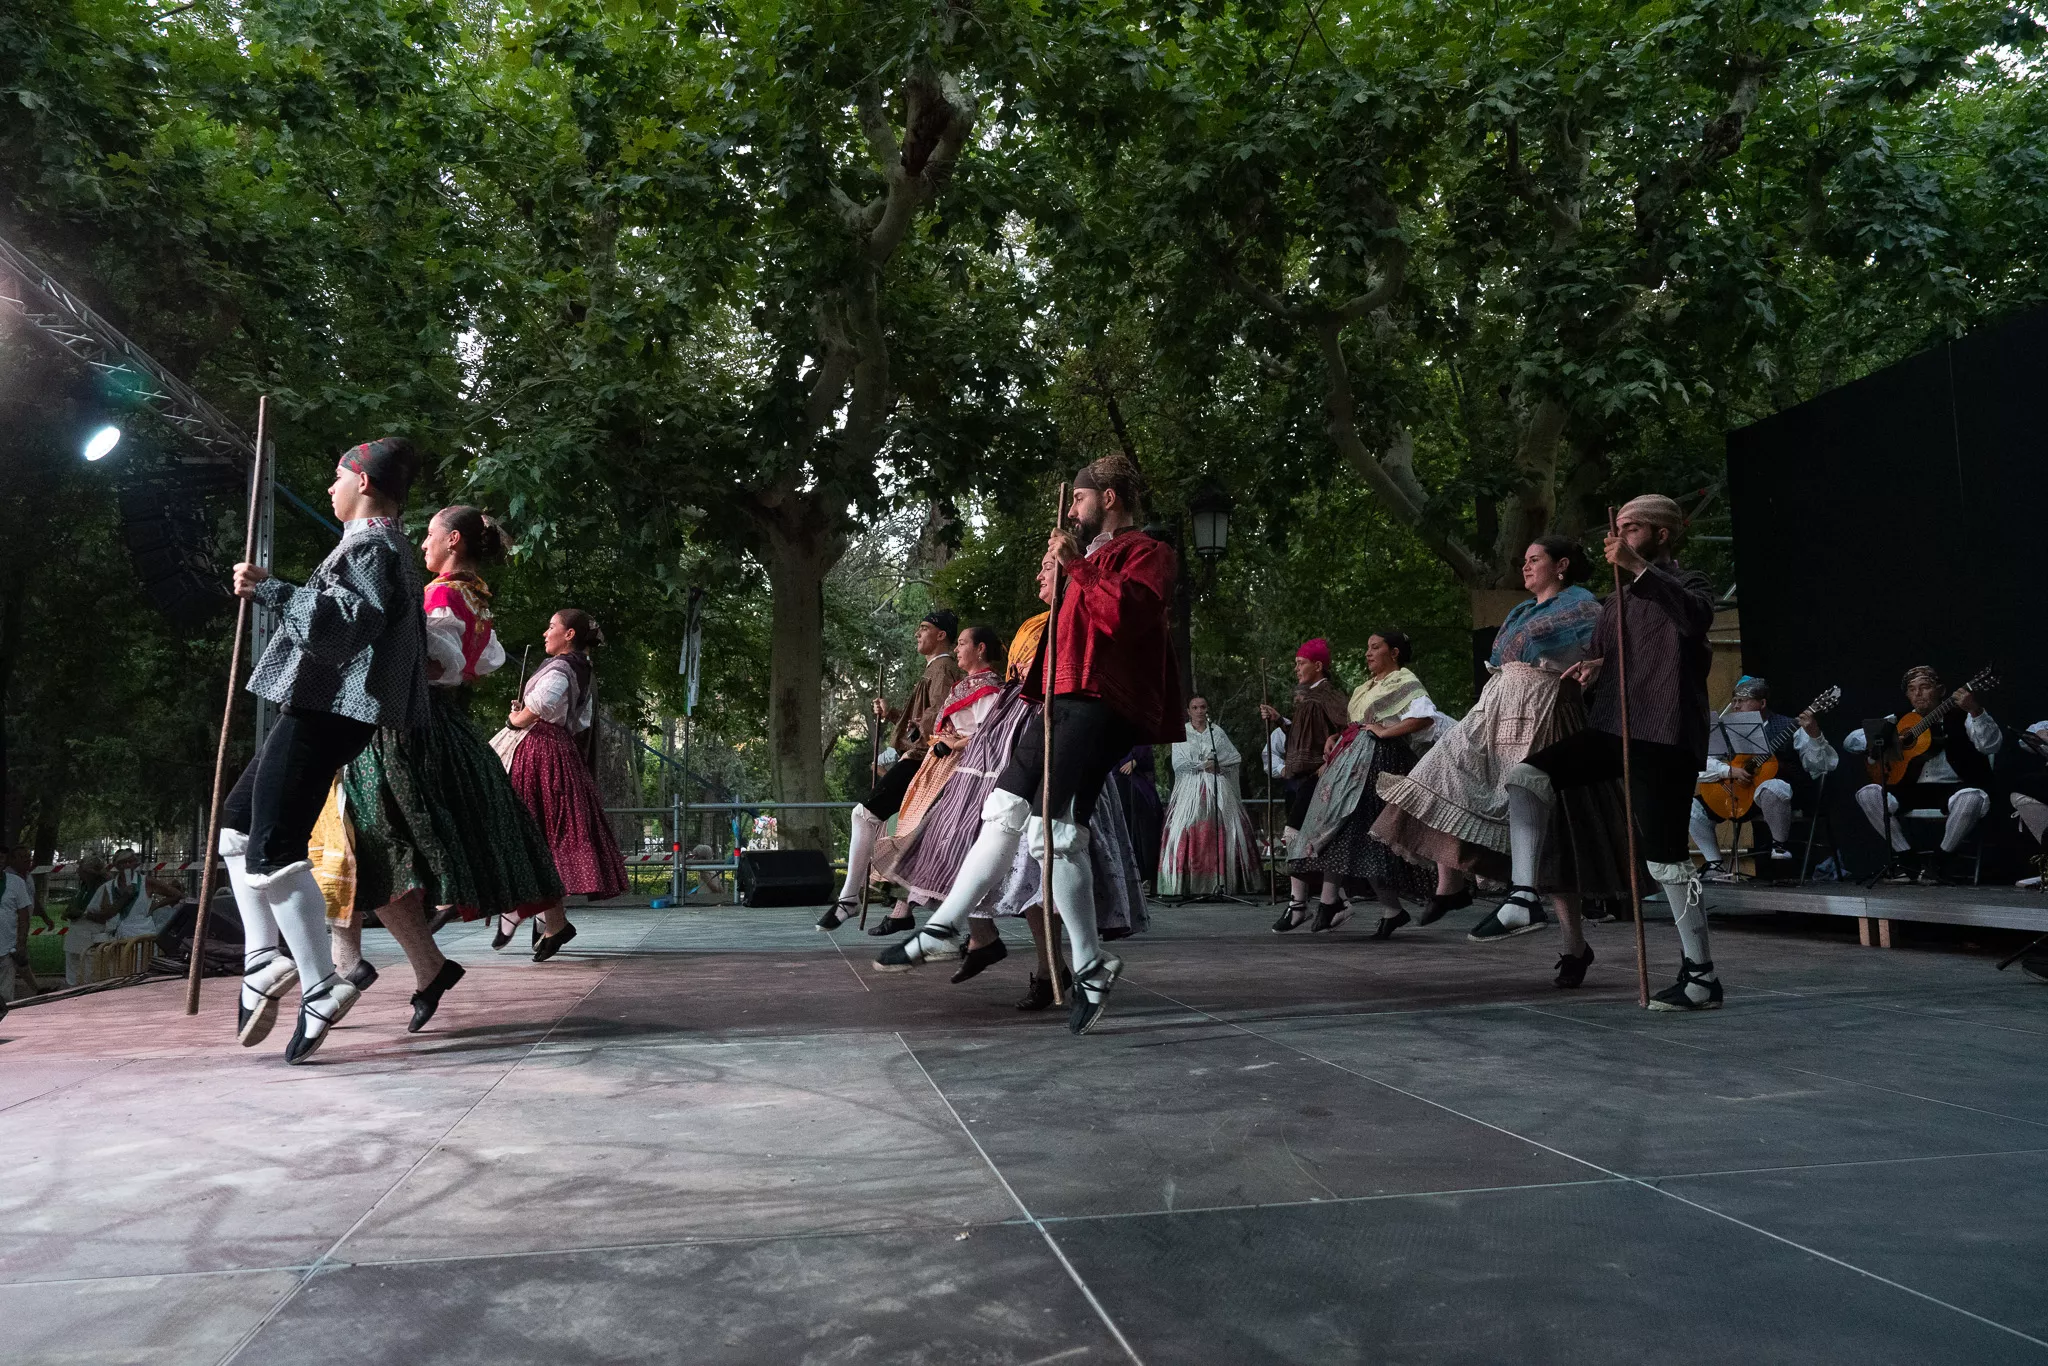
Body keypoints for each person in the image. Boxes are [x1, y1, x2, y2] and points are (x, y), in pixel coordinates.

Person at [873, 454, 1181, 1035]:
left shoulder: (1148, 553)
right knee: (1005, 810)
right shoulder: (1087, 558)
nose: (1072, 509)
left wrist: (1076, 568)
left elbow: (1126, 616)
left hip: (1096, 707)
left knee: (1054, 833)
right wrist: (1067, 570)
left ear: (1109, 498)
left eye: (1081, 500)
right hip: (1056, 704)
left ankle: (1086, 963)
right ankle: (949, 929)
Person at [217, 437, 431, 1063]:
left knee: (274, 847)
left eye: (337, 477)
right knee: (237, 826)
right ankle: (263, 962)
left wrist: (271, 590)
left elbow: (346, 626)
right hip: (325, 708)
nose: (329, 489)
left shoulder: (371, 545)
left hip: (329, 710)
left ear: (364, 483)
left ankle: (321, 985)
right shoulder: (378, 545)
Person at [338, 505, 563, 1030]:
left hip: (406, 727)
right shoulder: (475, 596)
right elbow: (480, 665)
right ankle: (368, 966)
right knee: (366, 842)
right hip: (445, 729)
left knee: (371, 843)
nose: (422, 545)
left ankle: (356, 968)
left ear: (453, 540)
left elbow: (439, 663)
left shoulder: (440, 593)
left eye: (431, 536)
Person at [1499, 495, 1720, 1009]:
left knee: (1667, 860)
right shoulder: (1614, 600)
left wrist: (1638, 568)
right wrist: (1593, 669)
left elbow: (1694, 619)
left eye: (1631, 529)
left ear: (1661, 535)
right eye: (1615, 530)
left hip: (1664, 734)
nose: (1617, 539)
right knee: (1526, 776)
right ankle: (1523, 895)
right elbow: (1604, 655)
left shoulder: (1687, 584)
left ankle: (1702, 976)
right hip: (1614, 728)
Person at [1373, 536, 1624, 947]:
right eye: (1524, 560)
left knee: (1555, 832)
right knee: (1438, 776)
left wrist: (1595, 667)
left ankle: (1573, 944)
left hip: (1547, 708)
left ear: (1561, 565)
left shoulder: (1584, 608)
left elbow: (1609, 658)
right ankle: (1450, 884)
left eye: (1534, 560)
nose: (1525, 567)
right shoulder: (1522, 611)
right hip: (1495, 708)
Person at [816, 610, 965, 932]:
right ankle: (901, 910)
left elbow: (939, 715)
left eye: (924, 628)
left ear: (941, 635)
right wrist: (894, 714)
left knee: (864, 815)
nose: (917, 634)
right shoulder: (938, 669)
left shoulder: (942, 669)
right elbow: (927, 718)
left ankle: (850, 899)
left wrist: (912, 735)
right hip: (924, 755)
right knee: (914, 835)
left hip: (926, 759)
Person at [1291, 631, 1437, 932]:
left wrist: (1385, 732)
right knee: (1354, 830)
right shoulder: (1365, 687)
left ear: (1394, 652)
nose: (1368, 653)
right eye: (1367, 648)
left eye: (1375, 648)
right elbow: (1355, 725)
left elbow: (1424, 717)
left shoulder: (1404, 681)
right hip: (1352, 760)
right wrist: (1335, 737)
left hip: (1380, 761)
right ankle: (1388, 909)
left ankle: (1333, 901)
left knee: (1358, 826)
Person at [866, 626, 1007, 932]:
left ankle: (965, 930)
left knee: (943, 840)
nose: (958, 650)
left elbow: (987, 733)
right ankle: (922, 917)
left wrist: (953, 743)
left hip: (967, 772)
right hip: (942, 765)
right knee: (923, 836)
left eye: (962, 644)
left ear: (980, 649)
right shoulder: (967, 683)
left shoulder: (986, 685)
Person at [502, 608, 626, 959]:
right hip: (553, 753)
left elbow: (540, 707)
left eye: (552, 626)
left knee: (535, 835)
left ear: (570, 634)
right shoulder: (577, 668)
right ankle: (550, 920)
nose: (546, 632)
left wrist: (516, 719)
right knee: (541, 836)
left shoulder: (563, 667)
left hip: (542, 754)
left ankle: (549, 920)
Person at [1843, 667, 2001, 884]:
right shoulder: (1899, 720)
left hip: (1953, 786)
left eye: (1924, 687)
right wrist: (1889, 739)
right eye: (1911, 689)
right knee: (1868, 793)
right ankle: (1907, 858)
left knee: (1972, 798)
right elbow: (1850, 742)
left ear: (1940, 690)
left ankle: (1940, 860)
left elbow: (1991, 744)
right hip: (1911, 788)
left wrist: (1975, 710)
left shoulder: (1961, 715)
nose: (1917, 694)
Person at [1688, 676, 1839, 881]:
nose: (1736, 706)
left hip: (1780, 798)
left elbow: (1821, 767)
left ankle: (1780, 847)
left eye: (1742, 700)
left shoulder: (1786, 726)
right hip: (1737, 796)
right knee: (1690, 806)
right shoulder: (1726, 730)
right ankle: (1715, 864)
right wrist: (1731, 772)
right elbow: (1700, 767)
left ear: (1762, 703)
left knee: (1773, 786)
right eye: (1734, 701)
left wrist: (1814, 734)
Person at [1259, 640, 1350, 932]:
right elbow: (1303, 736)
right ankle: (1316, 902)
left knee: (1302, 836)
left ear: (1318, 666)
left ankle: (1314, 903)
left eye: (1301, 663)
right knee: (1302, 838)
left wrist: (1330, 760)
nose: (1296, 668)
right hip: (1302, 777)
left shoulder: (1329, 695)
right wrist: (1281, 722)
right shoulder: (1306, 697)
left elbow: (1347, 730)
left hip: (1319, 777)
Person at [1158, 696, 1261, 898]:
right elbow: (1178, 763)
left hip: (1216, 785)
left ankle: (1224, 880)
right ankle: (1186, 883)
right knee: (1184, 827)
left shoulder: (1216, 732)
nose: (1199, 711)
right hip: (1190, 789)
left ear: (1207, 709)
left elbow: (1234, 757)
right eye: (1195, 707)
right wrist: (1201, 765)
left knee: (1226, 826)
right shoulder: (1182, 733)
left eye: (1202, 707)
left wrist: (1217, 765)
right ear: (1188, 711)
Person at [1114, 745, 1163, 890]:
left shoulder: (1139, 728)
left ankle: (1145, 874)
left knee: (1145, 828)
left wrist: (1135, 761)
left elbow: (1145, 750)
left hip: (1138, 786)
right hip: (1116, 783)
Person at [2, 845, 35, 1010]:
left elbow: (24, 915)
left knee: (6, 994)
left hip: (7, 947)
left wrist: (21, 942)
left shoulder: (16, 882)